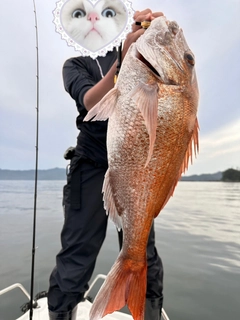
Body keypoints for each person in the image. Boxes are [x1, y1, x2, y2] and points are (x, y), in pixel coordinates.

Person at [48, 9, 164, 320]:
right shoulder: (76, 65)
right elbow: (89, 101)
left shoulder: (136, 52)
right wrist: (123, 59)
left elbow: (163, 87)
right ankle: (62, 312)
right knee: (76, 255)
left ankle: (148, 311)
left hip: (136, 165)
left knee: (144, 254)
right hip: (90, 167)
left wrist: (155, 35)